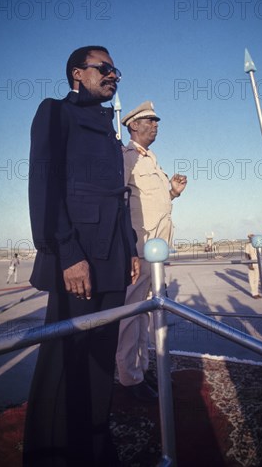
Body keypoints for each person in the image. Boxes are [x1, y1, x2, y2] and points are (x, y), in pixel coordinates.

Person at [23, 46, 140, 467]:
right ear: (78, 73)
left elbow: (117, 195)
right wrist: (68, 253)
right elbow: (45, 187)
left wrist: (131, 247)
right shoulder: (56, 112)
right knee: (64, 358)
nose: (114, 76)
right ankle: (48, 454)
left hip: (112, 256)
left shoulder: (106, 125)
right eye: (104, 69)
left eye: (115, 70)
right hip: (79, 258)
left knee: (100, 357)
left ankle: (92, 446)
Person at [115, 101, 187, 401]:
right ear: (133, 125)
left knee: (145, 314)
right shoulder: (126, 156)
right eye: (149, 120)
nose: (155, 125)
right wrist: (126, 247)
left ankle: (139, 370)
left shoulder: (152, 159)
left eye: (157, 121)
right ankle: (127, 379)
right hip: (138, 248)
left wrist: (172, 192)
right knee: (131, 315)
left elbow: (152, 203)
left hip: (154, 251)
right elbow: (117, 200)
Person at [244, 234, 261, 299]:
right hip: (252, 263)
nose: (252, 239)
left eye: (253, 238)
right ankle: (254, 294)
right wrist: (249, 264)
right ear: (249, 239)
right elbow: (246, 255)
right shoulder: (248, 245)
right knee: (252, 279)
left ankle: (257, 293)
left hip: (258, 263)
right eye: (250, 238)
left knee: (257, 279)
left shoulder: (257, 245)